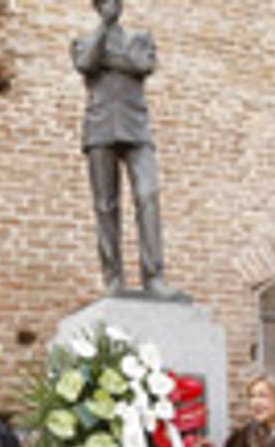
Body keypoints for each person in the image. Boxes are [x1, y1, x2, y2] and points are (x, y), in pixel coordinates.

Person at [71, 0, 180, 299]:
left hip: (136, 127)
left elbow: (143, 65)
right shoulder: (85, 41)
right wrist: (105, 33)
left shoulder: (140, 38)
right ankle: (113, 277)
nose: (111, 5)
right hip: (100, 127)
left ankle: (154, 276)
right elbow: (85, 63)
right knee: (105, 205)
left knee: (148, 196)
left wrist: (110, 60)